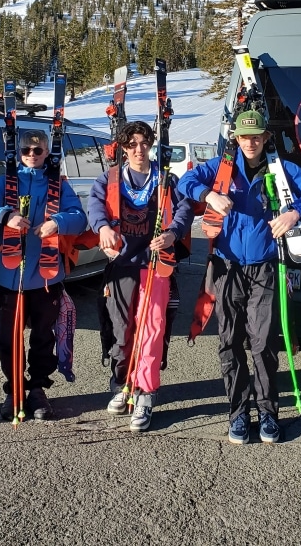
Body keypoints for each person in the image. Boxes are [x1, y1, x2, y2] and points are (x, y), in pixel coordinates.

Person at [178, 110, 301, 445]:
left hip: (265, 268)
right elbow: (185, 182)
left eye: (257, 136)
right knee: (229, 343)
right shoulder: (221, 168)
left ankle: (268, 414)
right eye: (245, 136)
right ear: (236, 138)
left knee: (263, 345)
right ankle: (238, 414)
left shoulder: (280, 170)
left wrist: (293, 213)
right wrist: (208, 195)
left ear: (265, 138)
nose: (251, 142)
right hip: (227, 267)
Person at [87, 120, 193, 432]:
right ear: (122, 148)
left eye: (143, 143)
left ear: (151, 144)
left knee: (152, 329)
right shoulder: (111, 178)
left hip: (155, 264)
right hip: (121, 264)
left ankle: (146, 393)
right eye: (131, 144)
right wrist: (103, 227)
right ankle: (123, 384)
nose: (138, 149)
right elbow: (95, 206)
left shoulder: (165, 179)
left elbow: (185, 209)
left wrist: (173, 233)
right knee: (122, 330)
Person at [0, 129, 87, 421]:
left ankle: (37, 388)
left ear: (47, 152)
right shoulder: (5, 182)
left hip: (46, 276)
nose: (32, 155)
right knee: (8, 337)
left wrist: (57, 223)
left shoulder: (58, 185)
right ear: (18, 152)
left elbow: (79, 218)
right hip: (10, 276)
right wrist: (6, 215)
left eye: (38, 151)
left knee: (42, 335)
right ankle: (14, 389)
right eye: (27, 150)